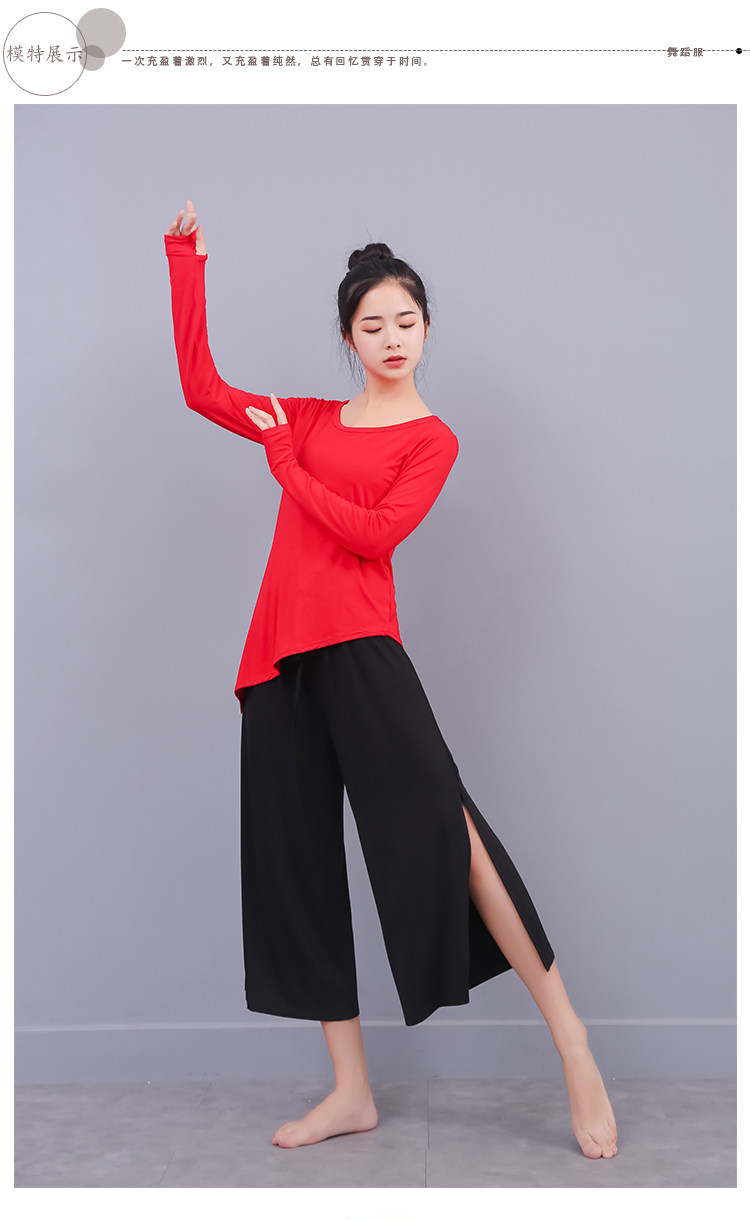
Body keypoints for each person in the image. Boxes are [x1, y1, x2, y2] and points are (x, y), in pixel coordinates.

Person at [163, 200, 618, 1160]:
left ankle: (572, 1041)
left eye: (406, 321)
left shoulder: (429, 439)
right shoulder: (309, 417)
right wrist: (185, 261)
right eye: (372, 325)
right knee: (298, 866)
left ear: (426, 327)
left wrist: (286, 465)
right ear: (349, 338)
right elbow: (201, 386)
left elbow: (372, 535)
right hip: (277, 658)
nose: (392, 337)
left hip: (363, 650)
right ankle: (351, 1091)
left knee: (451, 832)